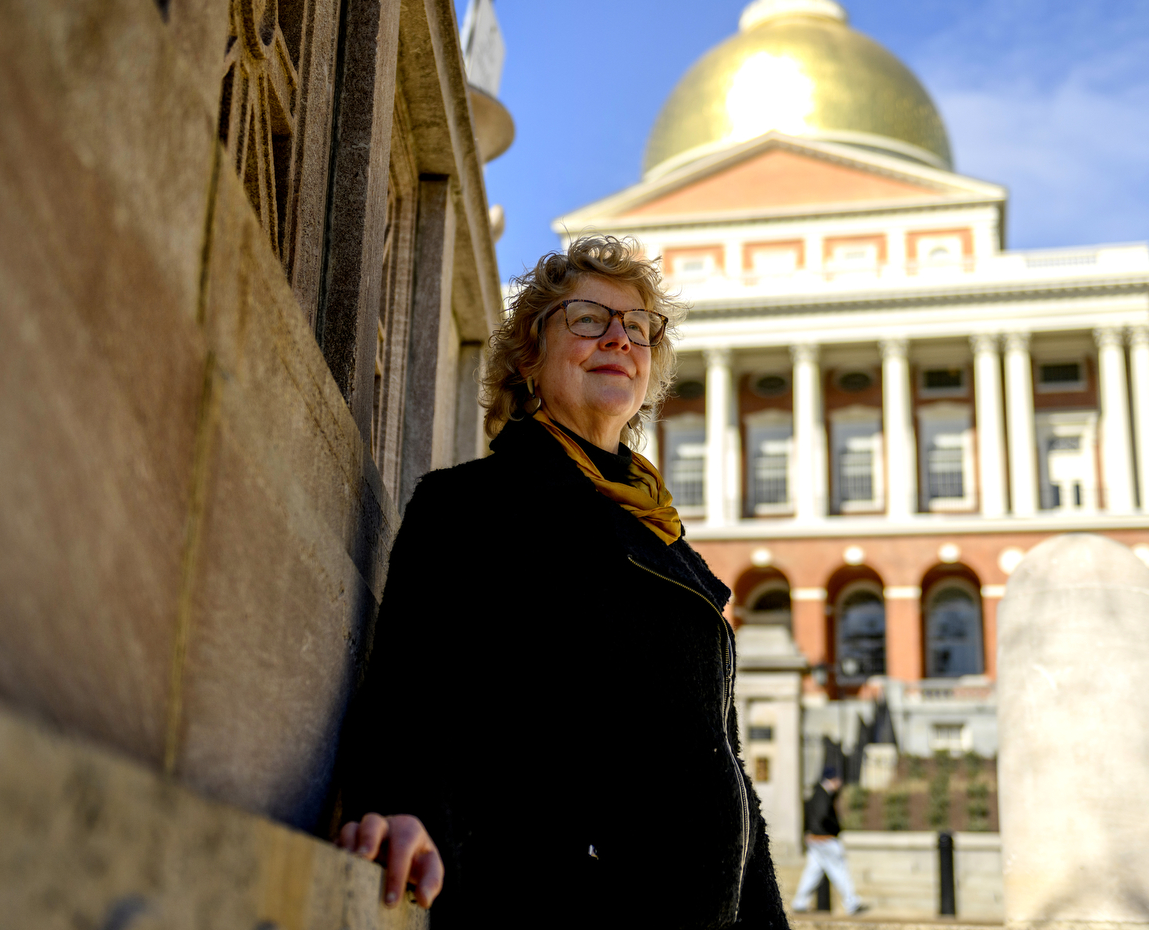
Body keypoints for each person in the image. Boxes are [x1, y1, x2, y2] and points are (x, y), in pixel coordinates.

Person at [333, 235, 789, 929]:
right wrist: (400, 808)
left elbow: (725, 772)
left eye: (637, 328)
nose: (618, 338)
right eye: (587, 319)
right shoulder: (476, 504)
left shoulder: (665, 542)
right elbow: (414, 686)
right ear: (528, 360)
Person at [791, 767, 867, 915]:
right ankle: (852, 902)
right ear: (831, 780)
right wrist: (836, 828)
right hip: (825, 839)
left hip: (815, 839)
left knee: (812, 871)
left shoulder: (816, 793)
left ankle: (799, 902)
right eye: (837, 780)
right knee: (839, 869)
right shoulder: (823, 794)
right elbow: (823, 816)